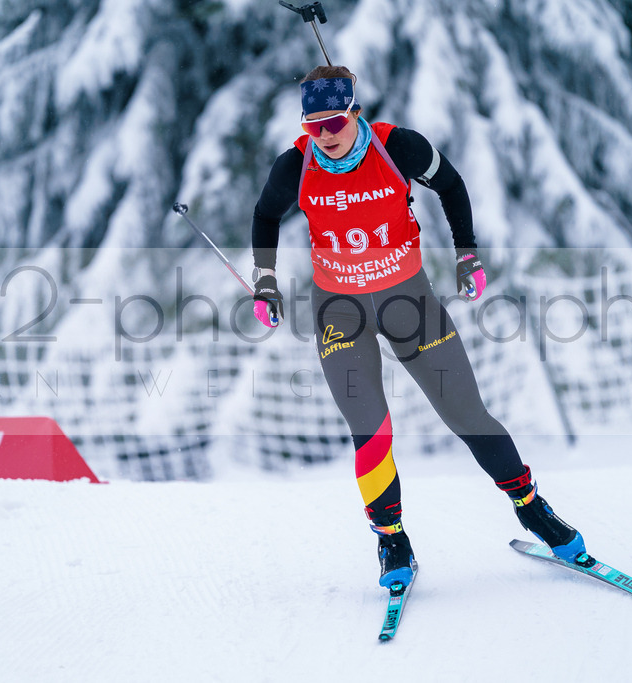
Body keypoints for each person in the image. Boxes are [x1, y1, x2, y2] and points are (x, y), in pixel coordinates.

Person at [250, 65, 589, 589]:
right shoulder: (295, 166)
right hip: (339, 310)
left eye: (334, 122)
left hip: (408, 300)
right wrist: (265, 280)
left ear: (355, 112)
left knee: (467, 413)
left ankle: (532, 508)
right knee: (370, 429)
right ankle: (392, 540)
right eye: (313, 125)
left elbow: (451, 185)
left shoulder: (398, 148)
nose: (326, 135)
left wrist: (466, 255)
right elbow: (265, 215)